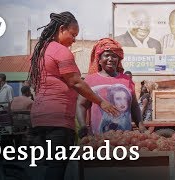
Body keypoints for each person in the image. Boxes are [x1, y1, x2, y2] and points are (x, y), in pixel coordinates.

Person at [28, 12, 118, 180]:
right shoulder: (61, 51)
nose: (74, 40)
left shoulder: (39, 52)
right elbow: (76, 82)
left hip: (38, 119)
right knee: (57, 167)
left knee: (47, 167)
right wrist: (101, 102)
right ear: (62, 29)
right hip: (57, 119)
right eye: (73, 34)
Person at [76, 38, 146, 136]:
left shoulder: (126, 80)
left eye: (114, 56)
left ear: (118, 59)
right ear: (99, 60)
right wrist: (83, 126)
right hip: (98, 138)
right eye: (106, 55)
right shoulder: (90, 80)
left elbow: (134, 106)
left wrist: (141, 126)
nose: (111, 59)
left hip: (124, 138)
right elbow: (81, 104)